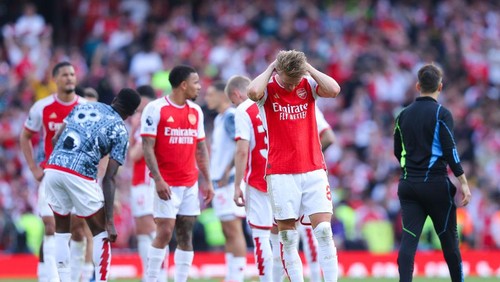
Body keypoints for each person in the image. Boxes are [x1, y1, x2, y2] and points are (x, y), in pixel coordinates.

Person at [247, 50, 341, 282]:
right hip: (280, 173)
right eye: (288, 82)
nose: (291, 87)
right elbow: (252, 92)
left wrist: (308, 69)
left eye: (295, 82)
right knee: (288, 238)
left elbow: (334, 90)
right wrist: (271, 68)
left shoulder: (307, 86)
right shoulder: (267, 91)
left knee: (324, 231)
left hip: (313, 169)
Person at [44, 88, 141, 282]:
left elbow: (55, 138)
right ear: (131, 114)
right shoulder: (121, 130)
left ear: (114, 99)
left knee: (62, 230)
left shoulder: (85, 106)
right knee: (101, 233)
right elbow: (110, 177)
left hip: (53, 168)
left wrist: (64, 162)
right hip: (79, 173)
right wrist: (111, 220)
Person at [393, 63, 472, 282]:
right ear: (440, 86)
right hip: (436, 186)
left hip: (409, 186)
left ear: (418, 86)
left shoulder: (402, 115)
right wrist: (463, 182)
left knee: (409, 241)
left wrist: (411, 170)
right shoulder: (441, 114)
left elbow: (397, 151)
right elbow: (450, 151)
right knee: (449, 242)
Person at [141, 65, 214, 282]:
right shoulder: (156, 109)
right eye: (196, 82)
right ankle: (152, 278)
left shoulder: (196, 111)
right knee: (164, 232)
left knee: (185, 233)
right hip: (166, 183)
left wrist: (207, 181)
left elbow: (201, 148)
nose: (199, 87)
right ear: (183, 85)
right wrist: (158, 179)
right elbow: (147, 146)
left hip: (189, 182)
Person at [19, 61, 89, 282]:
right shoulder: (42, 107)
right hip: (51, 175)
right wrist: (33, 168)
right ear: (55, 79)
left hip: (79, 177)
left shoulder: (87, 107)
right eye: (65, 75)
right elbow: (25, 137)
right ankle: (51, 279)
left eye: (72, 74)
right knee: (50, 226)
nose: (69, 78)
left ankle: (75, 277)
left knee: (77, 231)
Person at [229, 75, 274, 282]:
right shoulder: (274, 101)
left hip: (258, 180)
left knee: (261, 235)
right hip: (284, 176)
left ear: (237, 94)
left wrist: (237, 184)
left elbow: (242, 150)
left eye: (233, 100)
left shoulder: (243, 110)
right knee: (285, 236)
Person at [204, 80, 247, 282]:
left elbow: (241, 146)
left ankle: (237, 276)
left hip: (228, 182)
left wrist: (227, 173)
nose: (207, 98)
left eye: (211, 94)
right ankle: (232, 274)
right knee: (226, 230)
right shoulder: (221, 118)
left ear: (223, 95)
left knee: (233, 229)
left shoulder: (230, 117)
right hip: (220, 182)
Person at [128, 85, 168, 281]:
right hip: (138, 182)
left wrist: (136, 127)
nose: (139, 111)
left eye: (142, 106)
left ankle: (158, 274)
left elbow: (135, 154)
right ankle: (149, 273)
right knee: (143, 230)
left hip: (147, 181)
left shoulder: (150, 122)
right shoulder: (143, 123)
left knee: (152, 230)